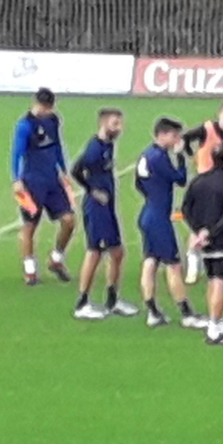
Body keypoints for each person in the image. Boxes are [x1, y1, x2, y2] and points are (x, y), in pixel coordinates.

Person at [69, 107, 139, 321]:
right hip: (96, 208)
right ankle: (82, 303)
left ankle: (112, 299)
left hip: (107, 208)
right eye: (115, 123)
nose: (119, 128)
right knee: (95, 252)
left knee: (117, 253)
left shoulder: (108, 145)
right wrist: (92, 190)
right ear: (103, 123)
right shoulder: (94, 148)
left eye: (120, 123)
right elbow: (76, 170)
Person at [135, 117, 204, 330]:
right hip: (158, 218)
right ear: (162, 134)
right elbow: (180, 179)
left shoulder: (146, 155)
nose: (177, 140)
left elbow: (139, 184)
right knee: (173, 265)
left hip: (148, 213)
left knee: (150, 261)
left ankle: (153, 311)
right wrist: (181, 156)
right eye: (174, 136)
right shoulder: (159, 157)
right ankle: (186, 313)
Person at [11, 87, 76, 286]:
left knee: (69, 220)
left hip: (52, 182)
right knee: (29, 226)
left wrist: (63, 170)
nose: (48, 111)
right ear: (37, 104)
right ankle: (30, 270)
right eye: (45, 107)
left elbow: (57, 145)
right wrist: (17, 179)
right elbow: (17, 153)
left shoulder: (54, 120)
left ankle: (56, 259)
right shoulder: (25, 125)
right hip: (31, 184)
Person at [181, 142, 223, 346]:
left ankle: (214, 320)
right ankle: (214, 327)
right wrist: (211, 232)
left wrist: (198, 231)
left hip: (204, 242)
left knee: (212, 280)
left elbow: (185, 209)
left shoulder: (198, 182)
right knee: (221, 282)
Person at [181, 100, 223, 284]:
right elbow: (186, 138)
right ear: (220, 113)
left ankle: (212, 255)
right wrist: (192, 155)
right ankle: (193, 261)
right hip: (204, 183)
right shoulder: (207, 129)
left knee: (220, 220)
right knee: (199, 222)